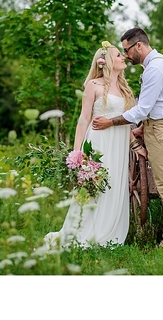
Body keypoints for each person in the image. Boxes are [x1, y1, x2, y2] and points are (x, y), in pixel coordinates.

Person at [44, 41, 146, 248]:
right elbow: (84, 118)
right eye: (118, 55)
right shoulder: (93, 85)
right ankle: (84, 231)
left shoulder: (125, 88)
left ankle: (110, 231)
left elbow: (126, 123)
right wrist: (77, 152)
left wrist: (135, 145)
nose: (124, 57)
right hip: (99, 142)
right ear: (106, 61)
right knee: (95, 186)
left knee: (115, 186)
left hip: (118, 146)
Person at [92, 28, 163, 248]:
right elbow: (157, 105)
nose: (125, 55)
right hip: (158, 126)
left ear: (139, 46)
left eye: (126, 50)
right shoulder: (158, 63)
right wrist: (143, 127)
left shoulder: (155, 69)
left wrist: (110, 122)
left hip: (162, 130)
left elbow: (142, 109)